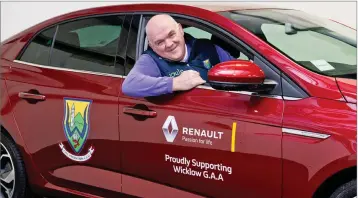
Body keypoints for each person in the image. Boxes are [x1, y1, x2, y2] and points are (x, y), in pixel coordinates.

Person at [122, 14, 235, 98]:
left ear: (180, 30)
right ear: (152, 46)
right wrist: (174, 83)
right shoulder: (151, 60)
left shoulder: (207, 47)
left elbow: (236, 70)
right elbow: (130, 85)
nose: (169, 44)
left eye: (171, 34)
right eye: (160, 42)